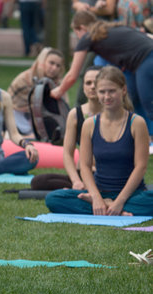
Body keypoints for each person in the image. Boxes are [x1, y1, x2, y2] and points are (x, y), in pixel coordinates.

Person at [46, 66, 153, 216]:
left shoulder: (137, 123)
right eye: (102, 92)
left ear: (123, 90)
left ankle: (112, 208)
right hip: (99, 192)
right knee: (53, 198)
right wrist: (96, 198)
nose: (107, 96)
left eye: (112, 91)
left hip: (132, 195)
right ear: (96, 92)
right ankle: (109, 208)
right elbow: (85, 165)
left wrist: (120, 201)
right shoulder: (89, 124)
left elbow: (141, 167)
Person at [50, 10, 153, 139]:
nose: (77, 37)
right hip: (142, 61)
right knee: (131, 99)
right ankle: (143, 137)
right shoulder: (112, 28)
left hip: (146, 61)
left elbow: (72, 75)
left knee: (150, 104)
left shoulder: (88, 38)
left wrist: (58, 91)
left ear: (81, 28)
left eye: (76, 33)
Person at [31, 66, 103, 190]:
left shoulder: (114, 113)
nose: (92, 86)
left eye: (96, 83)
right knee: (39, 181)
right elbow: (68, 153)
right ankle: (81, 187)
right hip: (82, 173)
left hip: (106, 175)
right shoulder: (75, 114)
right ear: (83, 86)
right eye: (88, 83)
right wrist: (76, 181)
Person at [8, 47, 65, 137]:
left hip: (41, 117)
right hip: (18, 115)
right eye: (51, 63)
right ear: (42, 63)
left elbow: (63, 107)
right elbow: (14, 103)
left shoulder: (57, 83)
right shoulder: (25, 79)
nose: (54, 68)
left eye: (58, 66)